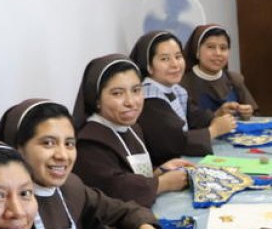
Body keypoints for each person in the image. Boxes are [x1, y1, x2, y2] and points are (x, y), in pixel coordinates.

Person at [0, 98, 173, 229]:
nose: (62, 155)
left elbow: (121, 210)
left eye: (69, 144)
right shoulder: (6, 207)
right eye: (48, 143)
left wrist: (145, 228)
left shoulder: (71, 187)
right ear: (17, 149)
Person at [72, 53, 193, 208]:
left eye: (136, 90)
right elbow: (116, 189)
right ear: (96, 100)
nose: (130, 102)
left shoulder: (132, 128)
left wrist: (159, 171)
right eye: (117, 93)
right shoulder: (89, 143)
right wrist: (163, 183)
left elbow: (131, 173)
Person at [130, 31, 237, 166]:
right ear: (149, 66)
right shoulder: (148, 98)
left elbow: (194, 116)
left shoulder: (174, 89)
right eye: (164, 59)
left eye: (178, 56)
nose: (175, 64)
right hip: (163, 168)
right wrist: (213, 130)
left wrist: (217, 115)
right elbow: (172, 142)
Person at [181, 24, 258, 118]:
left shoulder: (234, 79)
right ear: (197, 51)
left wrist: (247, 113)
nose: (218, 53)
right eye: (211, 47)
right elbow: (182, 125)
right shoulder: (182, 85)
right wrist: (215, 115)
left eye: (223, 48)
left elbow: (254, 113)